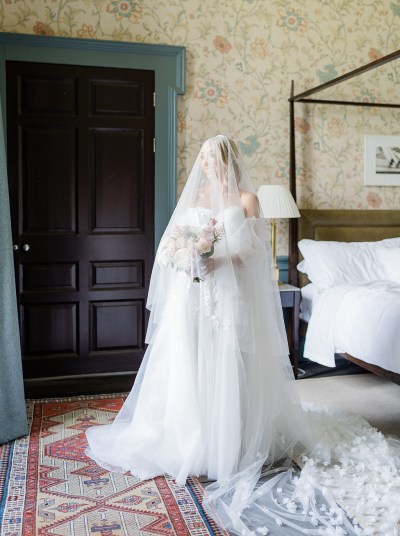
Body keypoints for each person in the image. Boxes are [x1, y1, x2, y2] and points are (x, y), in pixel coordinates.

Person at [86, 135, 400, 536]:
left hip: (230, 296)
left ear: (228, 160)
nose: (207, 165)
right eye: (203, 158)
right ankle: (190, 434)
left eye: (213, 159)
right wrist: (188, 258)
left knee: (233, 361)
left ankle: (230, 439)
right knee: (191, 361)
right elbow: (172, 245)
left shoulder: (249, 199)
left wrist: (218, 259)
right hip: (195, 297)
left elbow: (253, 251)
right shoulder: (195, 197)